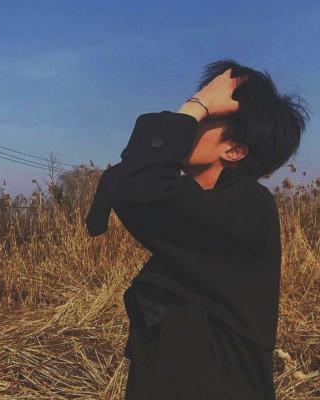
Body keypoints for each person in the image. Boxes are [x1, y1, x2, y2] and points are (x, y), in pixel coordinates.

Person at [85, 59, 310, 399]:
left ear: (234, 150)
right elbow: (134, 177)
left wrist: (196, 106)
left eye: (207, 118)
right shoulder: (207, 209)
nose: (188, 125)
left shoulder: (249, 207)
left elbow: (139, 185)